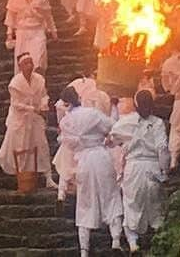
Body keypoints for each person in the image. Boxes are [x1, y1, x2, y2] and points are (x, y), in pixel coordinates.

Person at [57, 101, 124, 256]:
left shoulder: (66, 122)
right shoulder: (92, 113)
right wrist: (110, 139)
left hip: (83, 161)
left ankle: (84, 250)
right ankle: (115, 240)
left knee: (85, 204)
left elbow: (65, 142)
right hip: (100, 156)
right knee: (111, 197)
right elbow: (112, 126)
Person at [111, 90, 170, 254]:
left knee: (131, 204)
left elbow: (112, 137)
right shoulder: (158, 123)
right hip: (152, 166)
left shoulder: (126, 122)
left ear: (136, 104)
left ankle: (133, 244)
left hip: (134, 167)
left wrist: (124, 144)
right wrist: (165, 170)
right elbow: (162, 148)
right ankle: (159, 241)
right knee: (155, 204)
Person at [0, 53, 54, 185]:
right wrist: (32, 109)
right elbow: (16, 104)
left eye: (31, 63)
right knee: (20, 146)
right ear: (20, 66)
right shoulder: (15, 83)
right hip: (20, 120)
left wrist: (43, 105)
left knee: (42, 145)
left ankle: (48, 177)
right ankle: (22, 176)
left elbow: (44, 95)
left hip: (36, 119)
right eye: (26, 63)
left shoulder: (39, 79)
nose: (29, 66)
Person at [4, 0, 57, 71]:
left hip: (37, 31)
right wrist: (9, 34)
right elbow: (11, 15)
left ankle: (38, 83)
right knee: (22, 62)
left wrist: (53, 30)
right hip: (22, 32)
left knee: (38, 59)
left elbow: (48, 14)